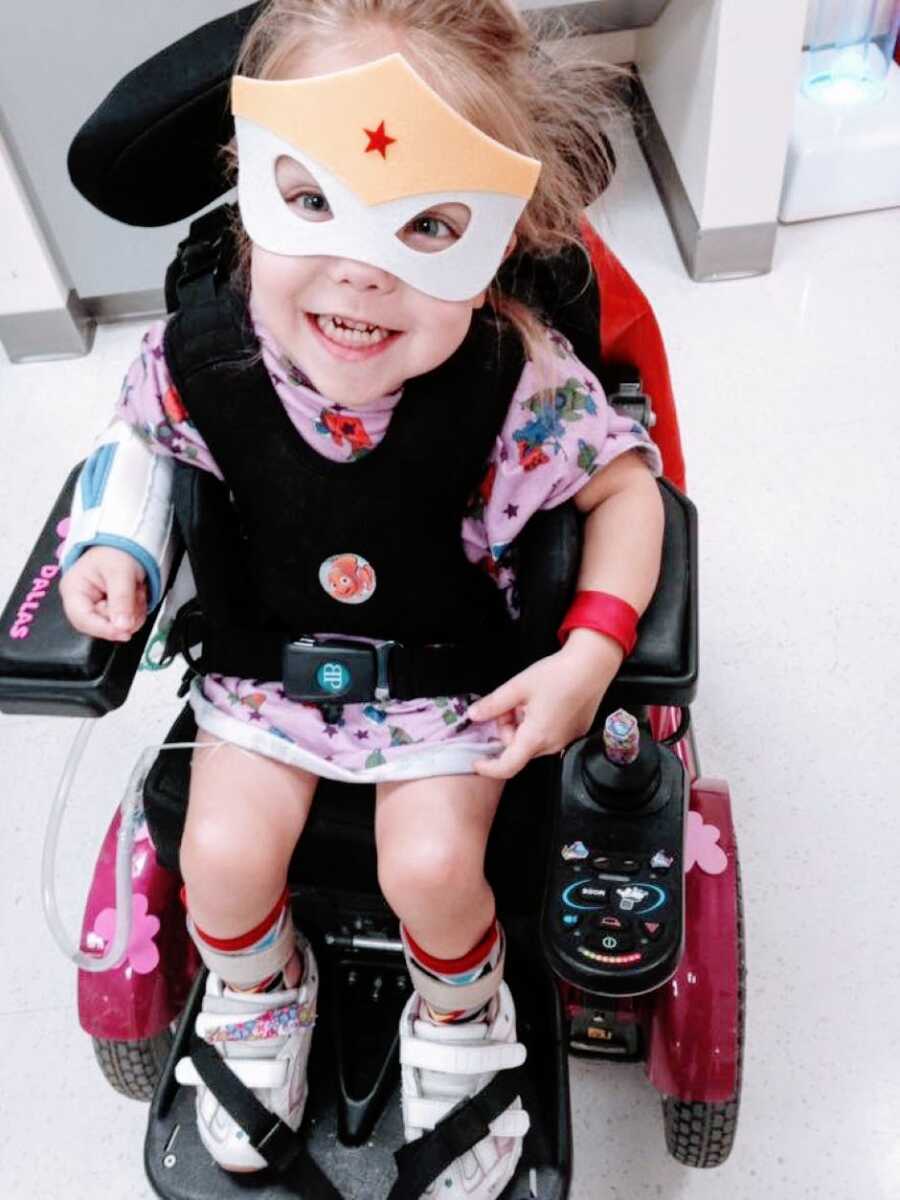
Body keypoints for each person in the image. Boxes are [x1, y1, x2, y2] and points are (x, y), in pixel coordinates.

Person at [59, 1, 665, 1194]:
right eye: (314, 203)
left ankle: (462, 1016)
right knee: (221, 850)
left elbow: (626, 492)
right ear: (247, 181)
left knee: (433, 868)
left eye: (429, 228)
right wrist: (114, 548)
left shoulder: (512, 375)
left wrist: (591, 652)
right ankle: (255, 995)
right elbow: (136, 446)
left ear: (500, 242)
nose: (362, 270)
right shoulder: (202, 354)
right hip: (263, 672)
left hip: (446, 682)